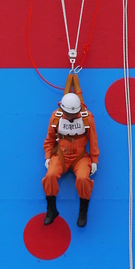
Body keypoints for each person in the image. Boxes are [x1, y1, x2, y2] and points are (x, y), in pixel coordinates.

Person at [43, 91, 99, 228]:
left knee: (82, 179)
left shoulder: (87, 118)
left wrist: (94, 160)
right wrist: (48, 156)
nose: (69, 116)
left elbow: (93, 140)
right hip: (61, 155)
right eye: (67, 114)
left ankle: (83, 210)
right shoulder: (55, 117)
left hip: (80, 157)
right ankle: (51, 208)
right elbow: (49, 139)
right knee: (49, 176)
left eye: (72, 114)